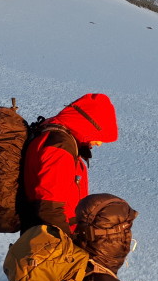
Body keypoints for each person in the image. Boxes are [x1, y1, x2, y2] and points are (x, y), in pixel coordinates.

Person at [21, 93, 119, 233]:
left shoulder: (59, 137)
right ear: (88, 125)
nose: (99, 143)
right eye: (99, 136)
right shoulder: (59, 148)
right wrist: (68, 245)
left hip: (48, 235)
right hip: (48, 240)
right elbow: (49, 208)